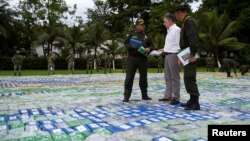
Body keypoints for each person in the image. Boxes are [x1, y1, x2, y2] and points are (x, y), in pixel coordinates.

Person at [175, 4, 200, 110]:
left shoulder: (189, 21)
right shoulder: (186, 22)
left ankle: (195, 103)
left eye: (176, 15)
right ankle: (191, 100)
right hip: (187, 53)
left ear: (179, 13)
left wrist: (193, 54)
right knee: (187, 77)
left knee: (190, 77)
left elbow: (193, 38)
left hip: (190, 54)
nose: (176, 17)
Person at [123, 18, 154, 102]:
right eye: (141, 25)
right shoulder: (131, 34)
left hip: (143, 59)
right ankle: (126, 96)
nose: (143, 26)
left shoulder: (147, 35)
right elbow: (125, 44)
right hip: (132, 58)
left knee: (143, 78)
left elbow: (152, 46)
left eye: (144, 25)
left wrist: (148, 48)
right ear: (137, 26)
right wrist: (131, 46)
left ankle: (144, 95)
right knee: (129, 78)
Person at [158, 13, 181, 105]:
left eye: (165, 21)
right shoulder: (169, 30)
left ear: (170, 21)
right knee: (167, 77)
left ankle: (176, 97)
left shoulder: (177, 29)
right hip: (167, 55)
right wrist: (163, 49)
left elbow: (179, 44)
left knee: (174, 77)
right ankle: (168, 96)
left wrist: (179, 57)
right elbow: (171, 44)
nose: (164, 23)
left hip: (174, 55)